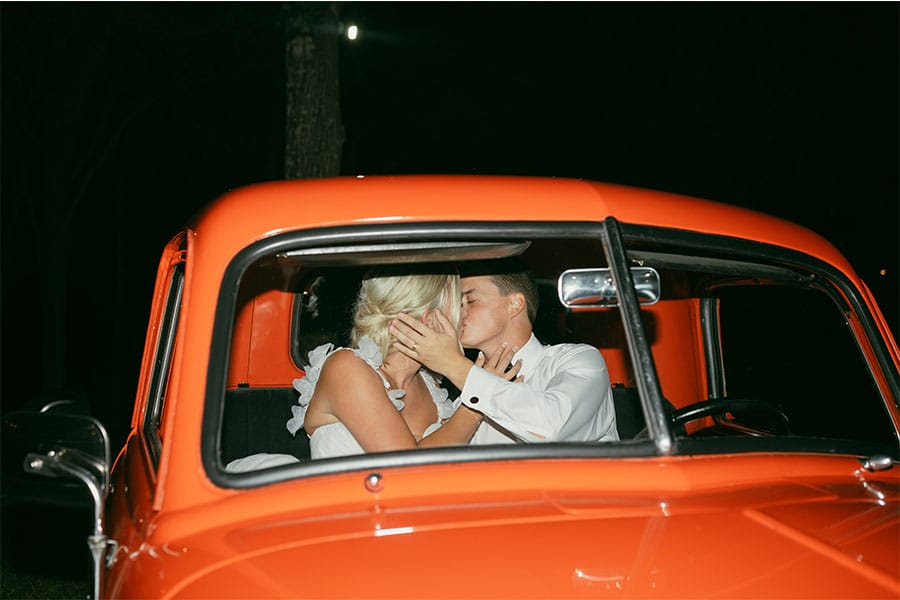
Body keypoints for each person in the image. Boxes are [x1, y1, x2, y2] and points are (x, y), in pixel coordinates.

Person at [390, 259, 618, 444]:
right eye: (457, 305)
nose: (458, 314)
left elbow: (552, 429)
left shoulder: (578, 360)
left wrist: (452, 364)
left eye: (470, 301)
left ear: (515, 305)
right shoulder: (464, 401)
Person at [281, 267, 491, 460]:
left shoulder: (430, 386)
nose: (465, 314)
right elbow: (407, 467)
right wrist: (474, 407)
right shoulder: (346, 368)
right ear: (430, 320)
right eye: (460, 304)